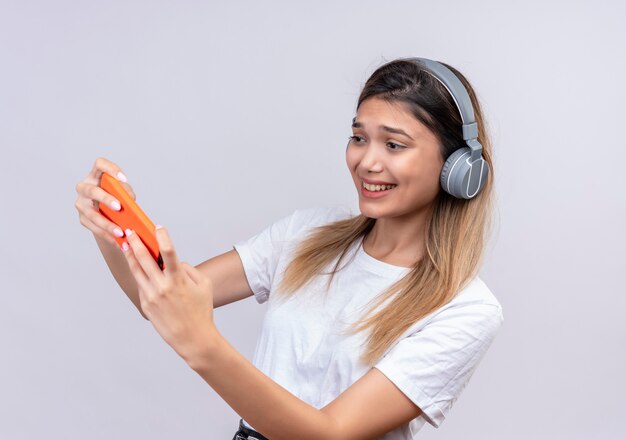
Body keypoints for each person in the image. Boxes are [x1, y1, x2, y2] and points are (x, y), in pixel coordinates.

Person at [75, 57, 504, 440]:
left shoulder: (465, 309)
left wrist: (203, 344)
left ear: (457, 167)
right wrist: (113, 229)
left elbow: (330, 433)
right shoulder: (308, 233)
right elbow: (159, 300)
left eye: (393, 144)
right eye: (358, 138)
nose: (367, 162)